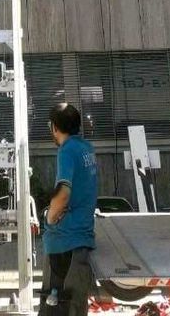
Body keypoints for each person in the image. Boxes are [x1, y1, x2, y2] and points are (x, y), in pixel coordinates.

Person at [39, 103, 98, 316]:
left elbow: (63, 191)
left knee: (57, 306)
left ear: (54, 127)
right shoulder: (86, 148)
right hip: (82, 237)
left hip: (64, 243)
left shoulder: (67, 151)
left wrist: (51, 217)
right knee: (75, 306)